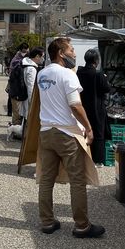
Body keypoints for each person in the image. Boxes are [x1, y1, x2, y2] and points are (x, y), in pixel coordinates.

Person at [36, 37, 104, 238]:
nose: (74, 54)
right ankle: (82, 225)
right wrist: (89, 128)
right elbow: (75, 105)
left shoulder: (42, 74)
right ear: (61, 53)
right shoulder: (68, 75)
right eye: (71, 50)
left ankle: (47, 221)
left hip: (46, 131)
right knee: (77, 180)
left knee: (46, 180)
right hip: (66, 133)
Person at [77, 48, 111, 166]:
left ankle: (83, 156)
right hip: (97, 107)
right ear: (96, 60)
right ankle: (97, 160)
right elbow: (106, 89)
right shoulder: (98, 74)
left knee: (83, 131)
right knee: (98, 133)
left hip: (82, 106)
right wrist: (105, 79)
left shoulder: (79, 72)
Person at [20, 46, 45, 121]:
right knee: (28, 121)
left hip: (23, 97)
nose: (43, 59)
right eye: (42, 56)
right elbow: (31, 87)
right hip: (27, 100)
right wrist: (32, 103)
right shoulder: (31, 69)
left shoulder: (25, 64)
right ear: (37, 56)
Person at [8, 42, 29, 125]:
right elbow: (12, 72)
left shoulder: (22, 59)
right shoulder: (17, 59)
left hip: (20, 87)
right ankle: (15, 129)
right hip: (16, 86)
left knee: (19, 110)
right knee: (16, 110)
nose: (26, 52)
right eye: (24, 51)